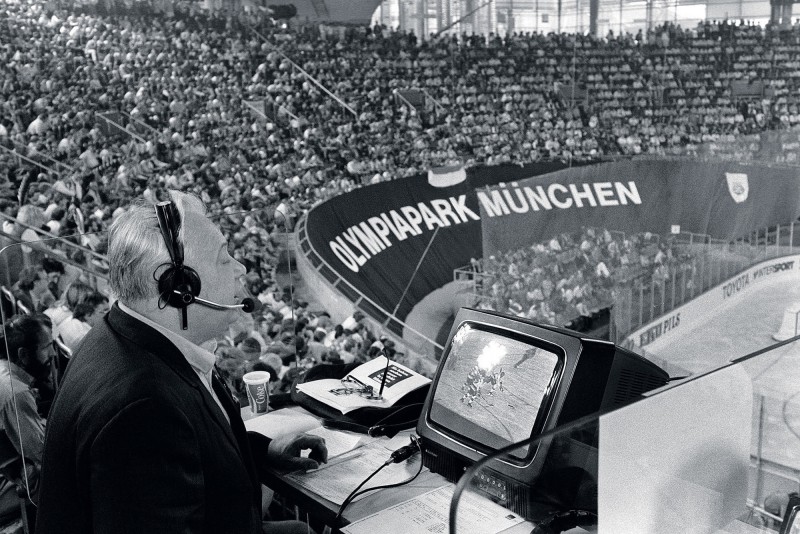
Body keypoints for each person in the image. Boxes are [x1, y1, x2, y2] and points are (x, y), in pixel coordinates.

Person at [36, 191, 327, 534]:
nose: (241, 268)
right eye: (223, 258)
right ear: (179, 287)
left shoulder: (133, 339)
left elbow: (186, 453)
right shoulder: (142, 408)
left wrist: (263, 451)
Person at [0, 314, 53, 520]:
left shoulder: (4, 369)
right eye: (46, 347)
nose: (52, 354)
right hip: (10, 480)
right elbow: (40, 452)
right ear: (23, 354)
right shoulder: (17, 392)